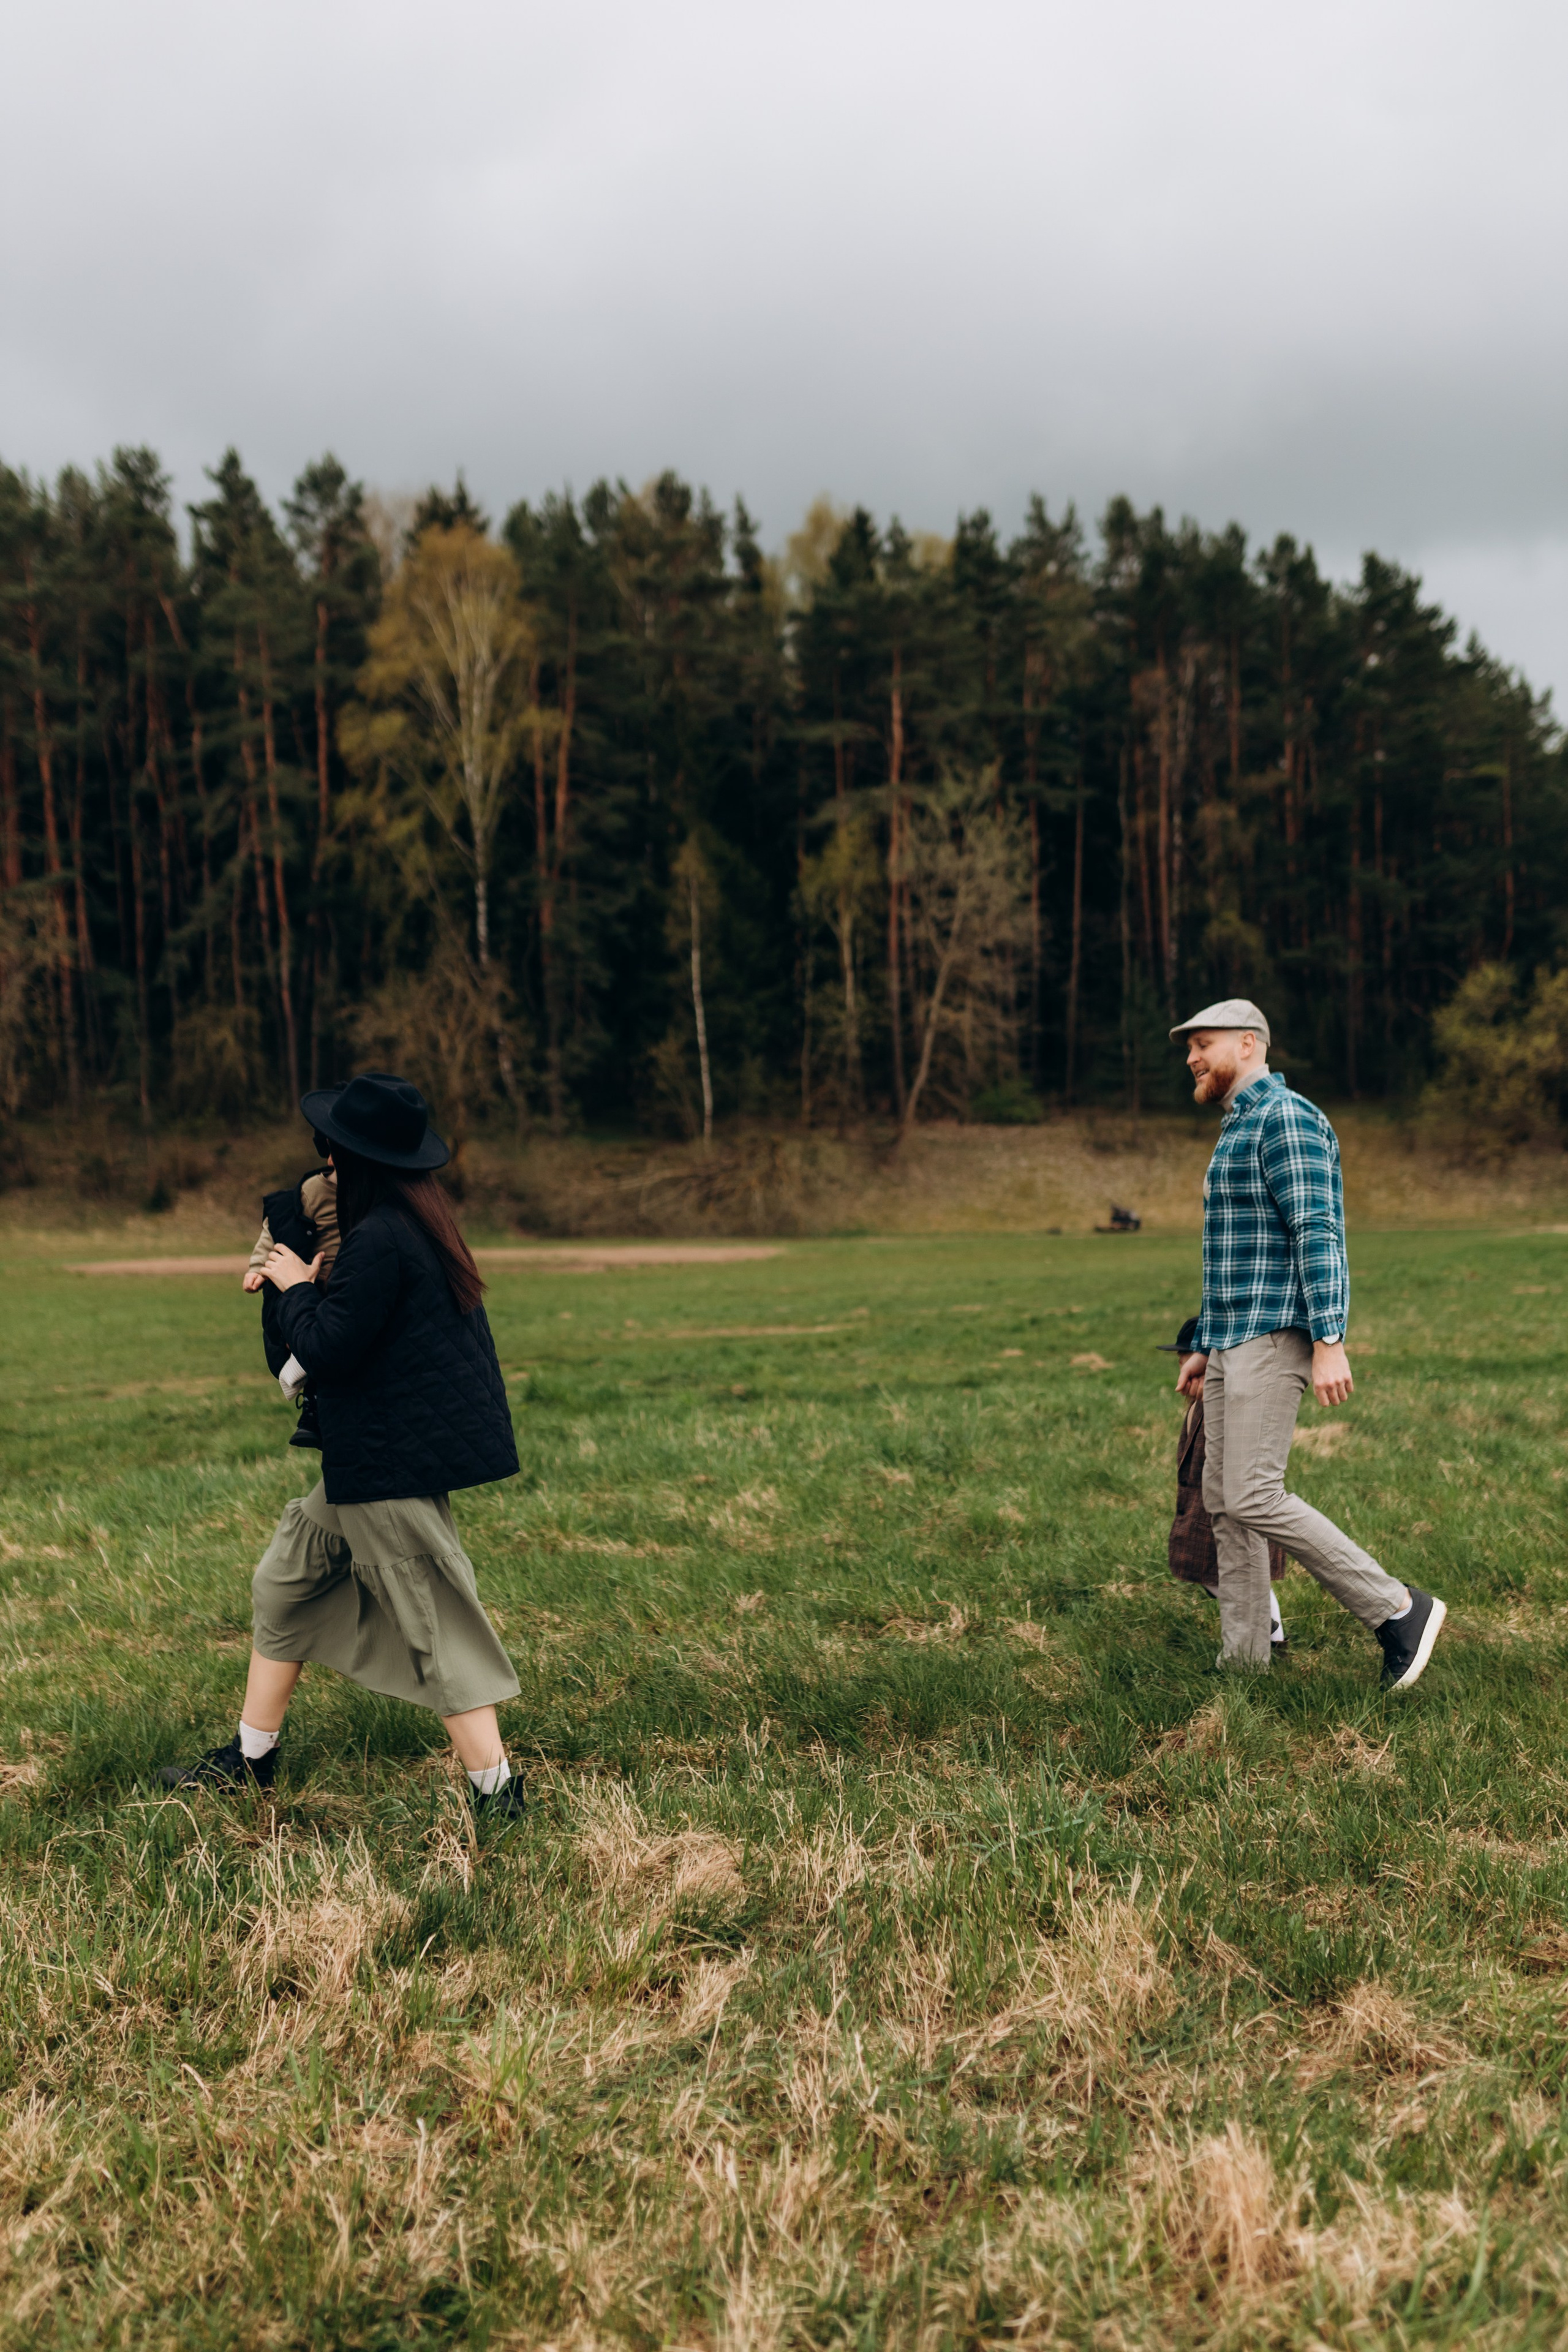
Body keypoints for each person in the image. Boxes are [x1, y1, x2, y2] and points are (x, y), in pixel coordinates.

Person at [161, 1071, 526, 1814]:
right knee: (286, 1583)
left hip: (386, 1463)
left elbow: (328, 1347)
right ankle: (251, 1760)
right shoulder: (409, 1221)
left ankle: (500, 1798)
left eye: (332, 1157)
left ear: (358, 1162)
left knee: (435, 1623)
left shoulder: (382, 1241)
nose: (324, 1167)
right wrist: (291, 1248)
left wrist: (293, 1284)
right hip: (372, 1453)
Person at [1170, 1000, 1445, 1687]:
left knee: (1255, 1495)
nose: (1191, 1060)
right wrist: (1203, 1341)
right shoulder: (1237, 1127)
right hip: (1233, 1338)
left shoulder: (1284, 1118)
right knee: (1223, 1502)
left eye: (1201, 1045)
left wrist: (1329, 1337)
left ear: (1248, 1043)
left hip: (1275, 1334)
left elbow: (1315, 1229)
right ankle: (1243, 1662)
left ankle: (1398, 1611)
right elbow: (1234, 1253)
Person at [1159, 1313, 1288, 1647]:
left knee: (1236, 1578)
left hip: (1224, 1508)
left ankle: (1270, 1634)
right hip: (1198, 1506)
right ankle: (1265, 1629)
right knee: (1214, 1578)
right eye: (1180, 1360)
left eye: (1188, 1360)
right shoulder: (1196, 1405)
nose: (1183, 1368)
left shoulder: (1226, 1406)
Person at [243, 1139, 340, 1449]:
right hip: (317, 1281)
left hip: (350, 1280)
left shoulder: (375, 1195)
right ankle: (313, 1409)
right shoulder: (313, 1190)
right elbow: (276, 1227)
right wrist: (258, 1266)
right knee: (310, 1345)